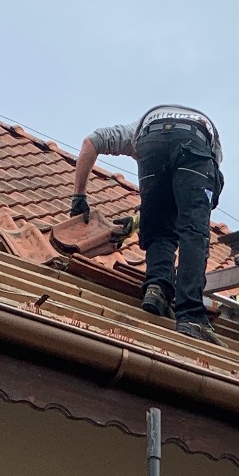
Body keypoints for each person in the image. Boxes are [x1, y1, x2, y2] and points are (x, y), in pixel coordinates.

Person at [71, 105, 223, 336]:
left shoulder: (135, 132)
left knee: (159, 230)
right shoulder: (212, 151)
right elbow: (190, 207)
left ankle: (157, 289)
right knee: (193, 230)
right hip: (195, 141)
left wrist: (79, 196)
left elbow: (90, 143)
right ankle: (191, 316)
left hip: (150, 142)